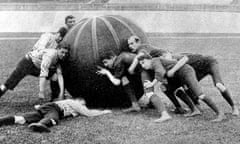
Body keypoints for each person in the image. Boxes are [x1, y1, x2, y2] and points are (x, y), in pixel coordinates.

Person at [138, 54, 225, 122]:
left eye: (143, 62)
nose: (142, 65)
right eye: (140, 64)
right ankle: (194, 110)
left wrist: (152, 84)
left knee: (200, 94)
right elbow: (163, 74)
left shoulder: (154, 61)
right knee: (166, 89)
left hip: (186, 72)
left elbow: (160, 71)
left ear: (149, 59)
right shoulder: (153, 65)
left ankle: (220, 113)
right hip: (178, 75)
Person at [97, 51, 172, 122]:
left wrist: (107, 73)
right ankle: (135, 105)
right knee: (124, 79)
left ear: (112, 57)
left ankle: (164, 114)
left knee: (148, 92)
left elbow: (116, 82)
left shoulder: (118, 63)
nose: (105, 65)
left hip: (145, 70)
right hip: (142, 69)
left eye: (106, 62)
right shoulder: (122, 55)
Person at [127, 35, 195, 114]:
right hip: (165, 62)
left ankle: (193, 104)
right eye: (128, 44)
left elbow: (140, 56)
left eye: (132, 43)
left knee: (170, 86)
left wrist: (131, 68)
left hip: (168, 60)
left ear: (138, 42)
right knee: (166, 87)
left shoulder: (142, 47)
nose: (130, 46)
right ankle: (184, 105)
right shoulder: (144, 49)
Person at [0, 40, 70, 101]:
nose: (64, 55)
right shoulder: (50, 56)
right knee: (9, 83)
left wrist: (61, 93)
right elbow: (43, 74)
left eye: (66, 53)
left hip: (37, 67)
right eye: (62, 52)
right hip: (27, 63)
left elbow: (60, 75)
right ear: (57, 49)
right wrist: (41, 91)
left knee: (55, 77)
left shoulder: (60, 58)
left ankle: (56, 98)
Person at [173, 53, 239, 116]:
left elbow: (185, 58)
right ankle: (197, 106)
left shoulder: (176, 57)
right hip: (198, 70)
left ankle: (234, 107)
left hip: (210, 63)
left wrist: (172, 70)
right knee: (189, 85)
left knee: (219, 85)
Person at [0, 98, 112, 132]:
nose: (84, 105)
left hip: (45, 109)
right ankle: (40, 125)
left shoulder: (72, 106)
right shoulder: (74, 103)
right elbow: (88, 113)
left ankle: (4, 120)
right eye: (83, 103)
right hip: (53, 108)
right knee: (53, 118)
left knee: (23, 118)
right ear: (79, 100)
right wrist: (103, 112)